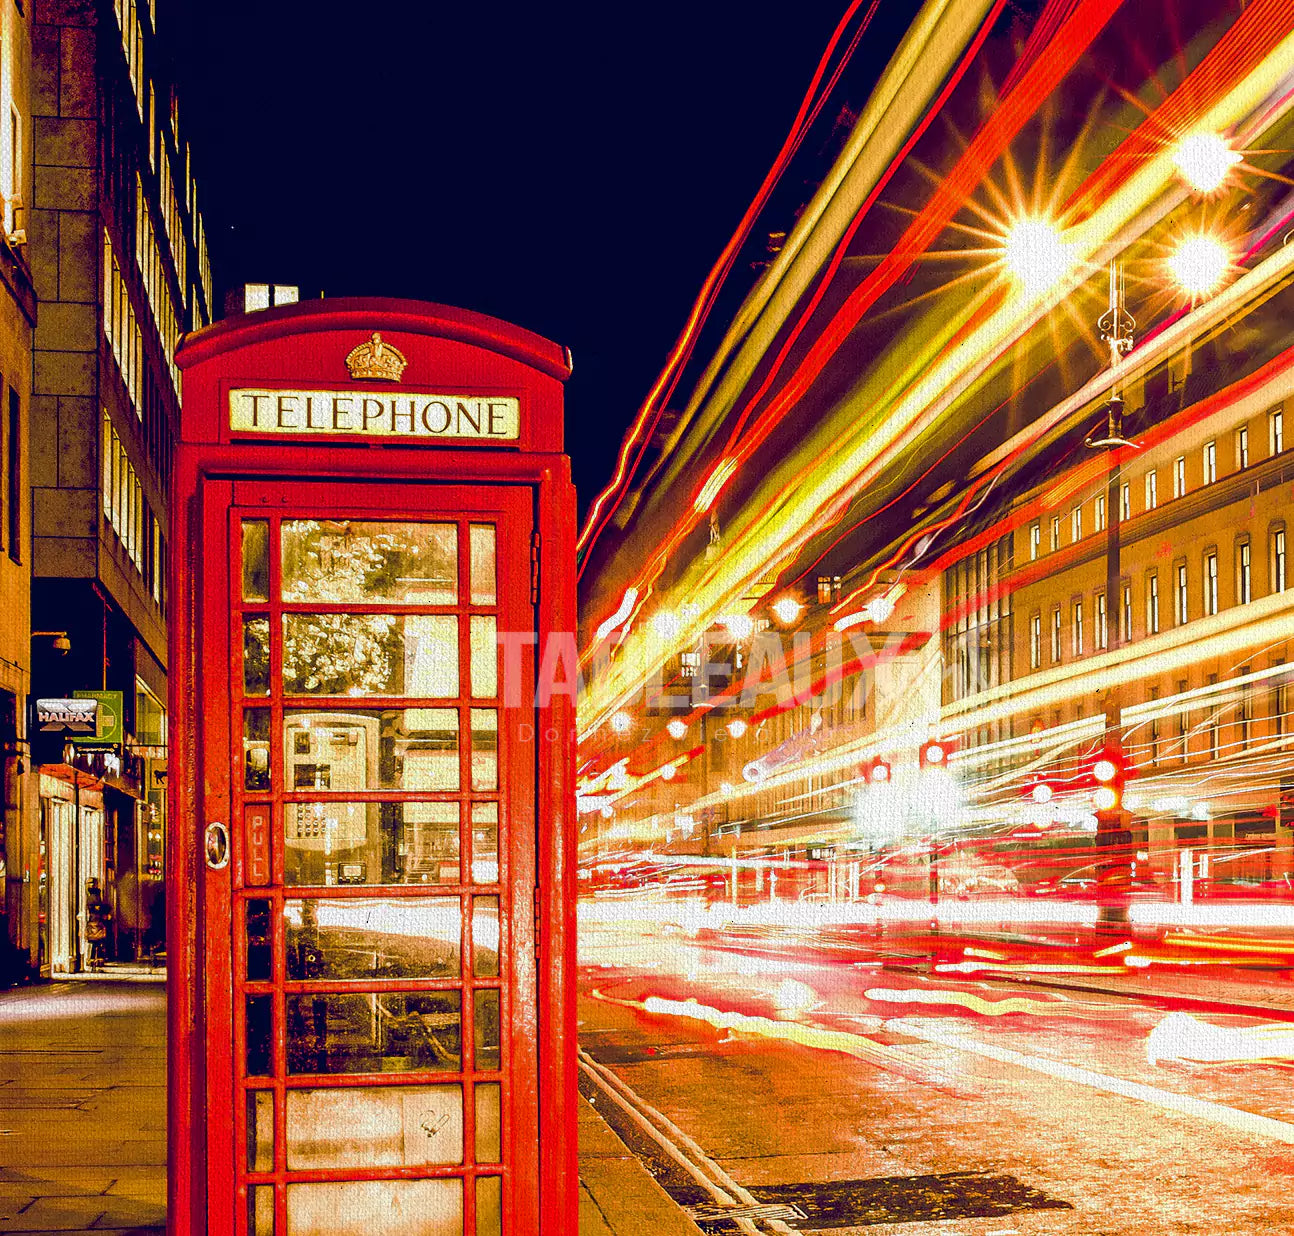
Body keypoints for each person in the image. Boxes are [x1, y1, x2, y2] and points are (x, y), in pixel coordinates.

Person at [84, 877, 110, 971]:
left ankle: (93, 960)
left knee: (95, 943)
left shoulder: (90, 896)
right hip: (97, 922)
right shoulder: (96, 897)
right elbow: (99, 908)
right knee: (98, 943)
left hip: (92, 922)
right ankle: (97, 960)